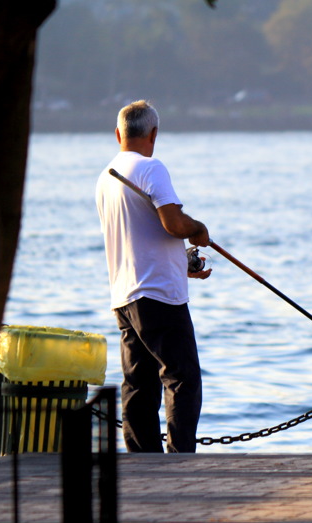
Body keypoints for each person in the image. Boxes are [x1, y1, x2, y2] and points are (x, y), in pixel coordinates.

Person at [95, 100, 212, 453]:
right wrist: (199, 229)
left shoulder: (106, 177)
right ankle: (179, 462)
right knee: (182, 378)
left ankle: (142, 460)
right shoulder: (151, 168)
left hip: (124, 294)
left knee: (138, 384)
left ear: (118, 134)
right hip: (158, 295)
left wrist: (182, 263)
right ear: (153, 134)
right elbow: (174, 224)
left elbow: (140, 237)